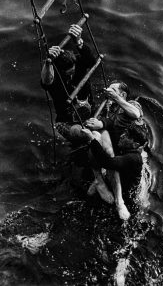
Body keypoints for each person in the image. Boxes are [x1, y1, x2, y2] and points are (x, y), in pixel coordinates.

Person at [83, 81, 147, 220]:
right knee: (96, 135)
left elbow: (135, 114)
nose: (108, 92)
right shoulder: (110, 106)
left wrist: (116, 98)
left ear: (122, 94)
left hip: (128, 156)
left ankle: (120, 201)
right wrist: (101, 123)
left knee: (110, 161)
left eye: (112, 90)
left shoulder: (131, 105)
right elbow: (109, 123)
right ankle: (100, 181)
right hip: (116, 149)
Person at [41, 24, 96, 143]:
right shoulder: (54, 77)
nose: (71, 76)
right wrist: (48, 63)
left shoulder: (77, 62)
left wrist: (78, 41)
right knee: (84, 136)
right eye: (68, 74)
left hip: (88, 110)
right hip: (66, 122)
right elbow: (46, 81)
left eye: (73, 72)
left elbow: (91, 61)